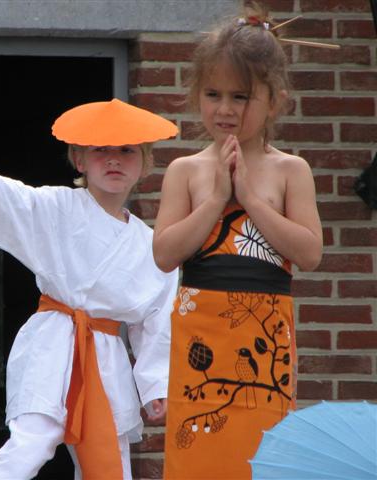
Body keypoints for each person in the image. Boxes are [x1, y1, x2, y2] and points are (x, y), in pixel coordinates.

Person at [0, 98, 179, 480]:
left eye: (127, 151)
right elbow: (23, 203)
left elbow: (156, 323)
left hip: (106, 357)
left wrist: (154, 384)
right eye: (101, 150)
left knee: (109, 463)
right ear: (79, 160)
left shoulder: (151, 245)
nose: (113, 160)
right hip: (53, 343)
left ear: (145, 164)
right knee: (33, 441)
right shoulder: (58, 206)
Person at [152, 3, 323, 479]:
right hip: (200, 333)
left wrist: (249, 197)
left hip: (264, 337)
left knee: (262, 454)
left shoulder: (291, 171)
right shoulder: (185, 171)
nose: (224, 109)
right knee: (198, 453)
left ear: (275, 101)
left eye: (241, 96)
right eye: (213, 94)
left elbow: (309, 253)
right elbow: (164, 254)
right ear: (196, 95)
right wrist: (214, 201)